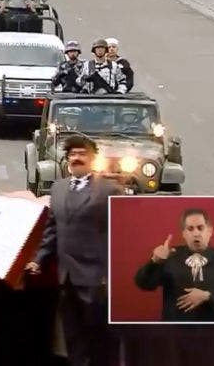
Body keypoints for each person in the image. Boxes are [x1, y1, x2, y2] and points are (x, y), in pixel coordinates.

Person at [25, 134, 125, 366]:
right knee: (72, 335)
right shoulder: (58, 189)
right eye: (72, 154)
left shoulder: (108, 190)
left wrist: (110, 274)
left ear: (92, 159)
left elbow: (120, 232)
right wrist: (39, 260)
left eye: (82, 154)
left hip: (95, 278)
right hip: (66, 276)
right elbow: (52, 230)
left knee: (98, 336)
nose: (76, 158)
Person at [134, 209, 214, 321]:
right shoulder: (170, 256)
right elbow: (144, 285)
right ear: (184, 233)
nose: (196, 233)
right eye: (190, 229)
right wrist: (155, 262)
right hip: (174, 330)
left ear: (210, 231)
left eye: (200, 228)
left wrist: (208, 296)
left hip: (212, 331)